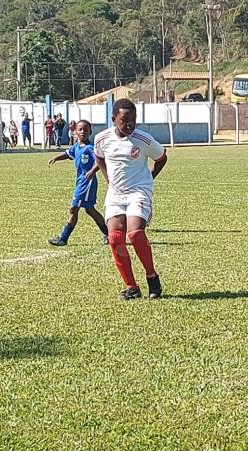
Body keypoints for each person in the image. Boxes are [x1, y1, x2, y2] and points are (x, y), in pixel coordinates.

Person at [94, 98, 168, 300]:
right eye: (125, 120)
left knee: (135, 234)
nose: (130, 125)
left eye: (133, 120)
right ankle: (131, 287)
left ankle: (152, 276)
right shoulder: (102, 139)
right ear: (113, 119)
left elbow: (161, 157)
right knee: (115, 238)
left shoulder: (144, 140)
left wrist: (150, 178)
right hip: (116, 194)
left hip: (139, 192)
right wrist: (107, 178)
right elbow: (99, 156)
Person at [47, 120, 109, 247]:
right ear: (75, 131)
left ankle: (63, 238)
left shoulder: (90, 148)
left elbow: (100, 160)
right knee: (89, 210)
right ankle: (109, 234)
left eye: (86, 130)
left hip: (87, 182)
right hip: (81, 181)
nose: (83, 132)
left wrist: (92, 171)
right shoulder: (76, 146)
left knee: (73, 208)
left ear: (90, 132)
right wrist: (56, 158)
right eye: (80, 129)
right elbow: (68, 154)